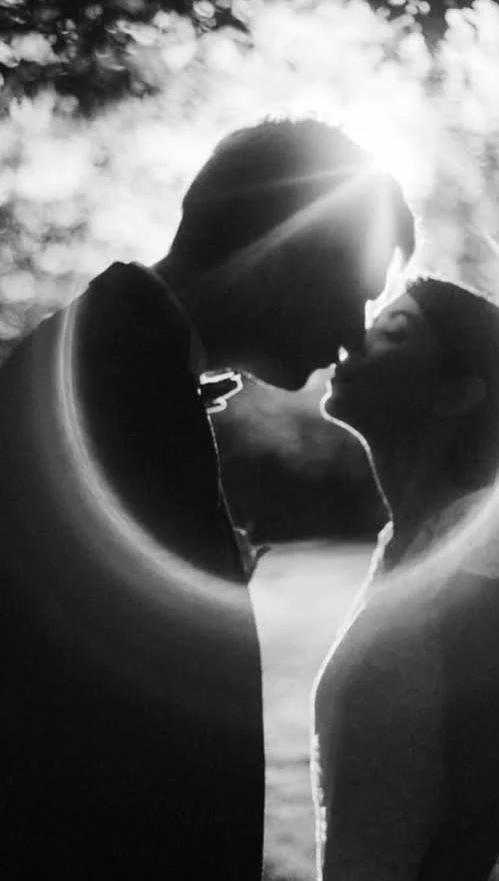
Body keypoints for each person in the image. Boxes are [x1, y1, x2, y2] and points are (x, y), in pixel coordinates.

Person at [0, 116, 414, 880]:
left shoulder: (121, 359)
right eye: (355, 296)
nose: (355, 339)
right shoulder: (111, 394)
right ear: (288, 259)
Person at [312, 276, 499, 881]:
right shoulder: (400, 547)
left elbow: (480, 809)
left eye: (394, 332)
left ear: (457, 392)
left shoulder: (487, 534)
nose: (353, 340)